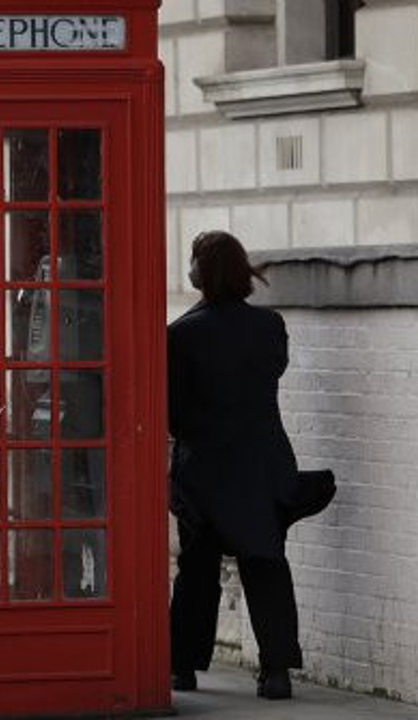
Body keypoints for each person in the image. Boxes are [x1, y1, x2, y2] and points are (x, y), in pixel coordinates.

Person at [167, 231, 303, 700]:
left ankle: (182, 667)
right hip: (262, 464)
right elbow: (271, 375)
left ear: (198, 274)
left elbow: (173, 411)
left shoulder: (182, 334)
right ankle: (277, 671)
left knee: (197, 571)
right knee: (266, 564)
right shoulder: (270, 327)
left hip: (203, 467)